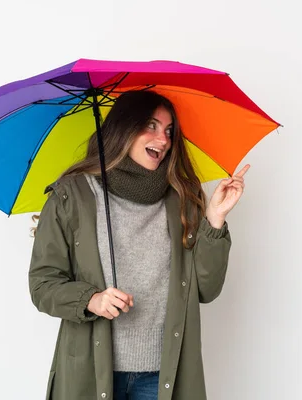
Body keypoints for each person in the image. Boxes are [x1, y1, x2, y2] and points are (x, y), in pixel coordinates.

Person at [28, 90, 249, 400]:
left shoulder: (182, 197)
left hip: (163, 376)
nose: (163, 139)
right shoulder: (72, 195)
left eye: (169, 131)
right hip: (89, 373)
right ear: (124, 129)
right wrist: (91, 299)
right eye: (152, 125)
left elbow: (206, 290)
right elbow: (42, 284)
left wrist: (214, 220)